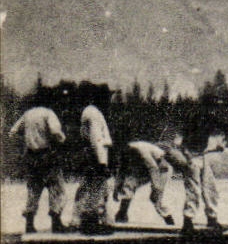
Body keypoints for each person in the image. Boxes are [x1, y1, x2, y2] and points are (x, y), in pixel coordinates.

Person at [10, 92, 68, 233]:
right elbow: (55, 131)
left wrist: (25, 142)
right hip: (47, 154)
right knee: (57, 188)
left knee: (33, 190)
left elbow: (12, 131)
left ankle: (29, 223)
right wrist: (62, 140)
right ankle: (56, 221)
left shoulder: (27, 114)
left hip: (31, 156)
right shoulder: (48, 113)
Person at [180, 93, 228, 230]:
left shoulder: (211, 118)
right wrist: (187, 156)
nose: (214, 110)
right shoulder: (194, 118)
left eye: (215, 107)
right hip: (191, 156)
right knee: (193, 190)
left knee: (210, 188)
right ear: (206, 106)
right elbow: (183, 141)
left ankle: (212, 219)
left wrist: (224, 142)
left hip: (202, 156)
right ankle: (188, 221)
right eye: (213, 107)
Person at [74, 85, 115, 232]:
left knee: (89, 187)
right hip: (96, 156)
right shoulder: (93, 113)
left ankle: (81, 219)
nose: (109, 100)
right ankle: (90, 222)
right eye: (107, 97)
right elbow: (96, 138)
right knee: (96, 188)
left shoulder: (92, 112)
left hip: (93, 154)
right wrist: (102, 164)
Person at [113, 138, 180, 225]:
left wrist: (156, 187)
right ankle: (122, 214)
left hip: (161, 168)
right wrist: (116, 189)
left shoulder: (140, 149)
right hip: (145, 168)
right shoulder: (124, 153)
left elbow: (153, 167)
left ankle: (170, 221)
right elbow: (121, 172)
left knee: (155, 198)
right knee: (129, 184)